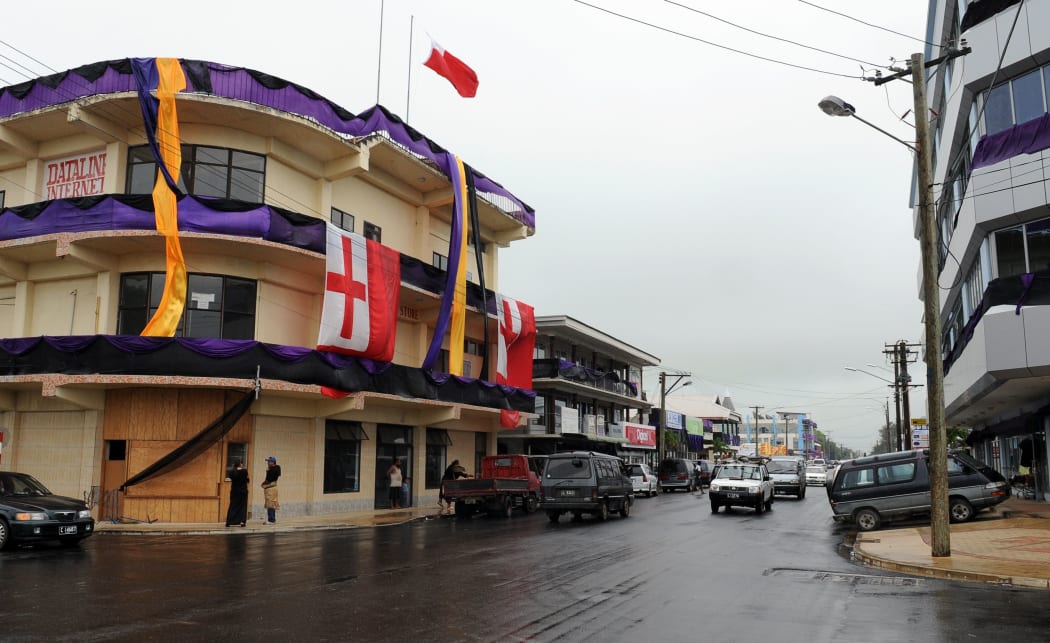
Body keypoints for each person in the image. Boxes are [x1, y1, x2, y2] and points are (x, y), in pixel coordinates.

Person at [225, 460, 249, 527]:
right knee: (242, 506)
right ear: (240, 464)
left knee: (233, 505)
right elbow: (247, 480)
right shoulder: (244, 471)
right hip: (243, 491)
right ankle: (242, 521)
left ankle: (229, 521)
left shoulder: (232, 472)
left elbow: (231, 479)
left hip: (234, 491)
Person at [261, 456, 281, 524]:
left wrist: (263, 483)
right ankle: (272, 519)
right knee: (272, 502)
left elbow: (268, 479)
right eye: (267, 462)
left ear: (273, 462)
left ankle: (271, 520)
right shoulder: (277, 468)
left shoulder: (272, 470)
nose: (268, 463)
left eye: (269, 462)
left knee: (270, 503)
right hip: (274, 488)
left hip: (270, 488)